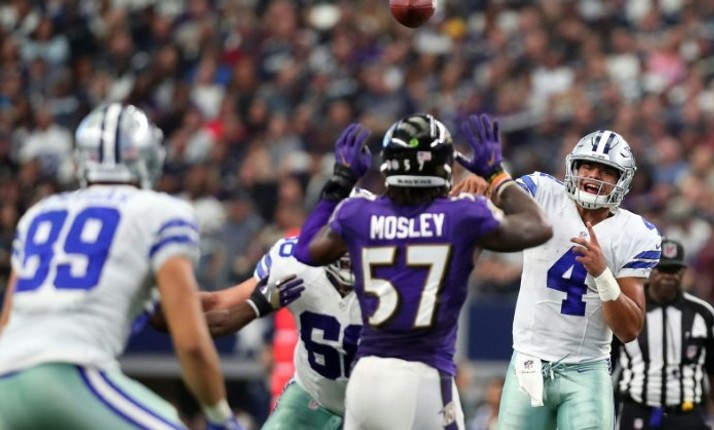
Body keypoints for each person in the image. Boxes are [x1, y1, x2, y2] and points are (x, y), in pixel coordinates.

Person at [293, 113, 554, 429]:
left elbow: (305, 250)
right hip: (423, 376)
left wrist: (340, 182)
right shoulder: (463, 215)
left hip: (367, 377)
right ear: (443, 166)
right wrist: (496, 175)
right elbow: (539, 227)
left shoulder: (357, 212)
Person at [0, 104, 241, 430]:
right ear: (149, 158)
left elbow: (7, 320)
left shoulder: (40, 213)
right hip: (69, 372)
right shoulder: (161, 212)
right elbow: (192, 343)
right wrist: (220, 416)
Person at [455, 129, 663, 430]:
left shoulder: (635, 234)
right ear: (573, 167)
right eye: (587, 166)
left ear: (622, 180)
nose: (594, 175)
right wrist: (484, 189)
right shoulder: (544, 193)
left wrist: (603, 274)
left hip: (586, 371)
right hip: (529, 361)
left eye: (606, 171)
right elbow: (497, 200)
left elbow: (629, 329)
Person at [197, 194, 372, 430]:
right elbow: (221, 309)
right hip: (311, 396)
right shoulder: (294, 265)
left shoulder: (401, 279)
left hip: (373, 404)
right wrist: (260, 303)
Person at [613, 238, 714, 430]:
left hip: (686, 414)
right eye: (662, 270)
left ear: (683, 272)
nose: (668, 278)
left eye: (674, 271)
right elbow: (605, 363)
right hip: (637, 410)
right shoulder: (629, 308)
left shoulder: (703, 314)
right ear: (650, 270)